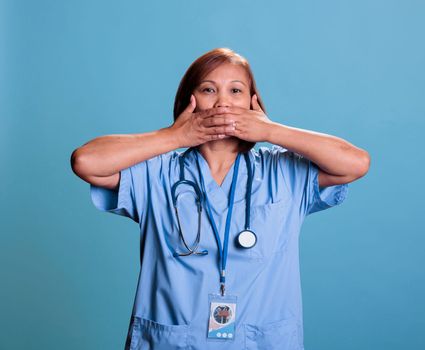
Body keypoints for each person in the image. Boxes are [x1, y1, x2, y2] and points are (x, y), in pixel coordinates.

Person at [71, 47, 370, 350]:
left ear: (253, 103)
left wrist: (271, 131)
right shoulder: (157, 173)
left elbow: (356, 163)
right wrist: (175, 137)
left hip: (262, 342)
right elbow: (86, 161)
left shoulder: (283, 171)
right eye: (209, 89)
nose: (223, 102)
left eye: (236, 91)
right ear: (191, 101)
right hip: (171, 342)